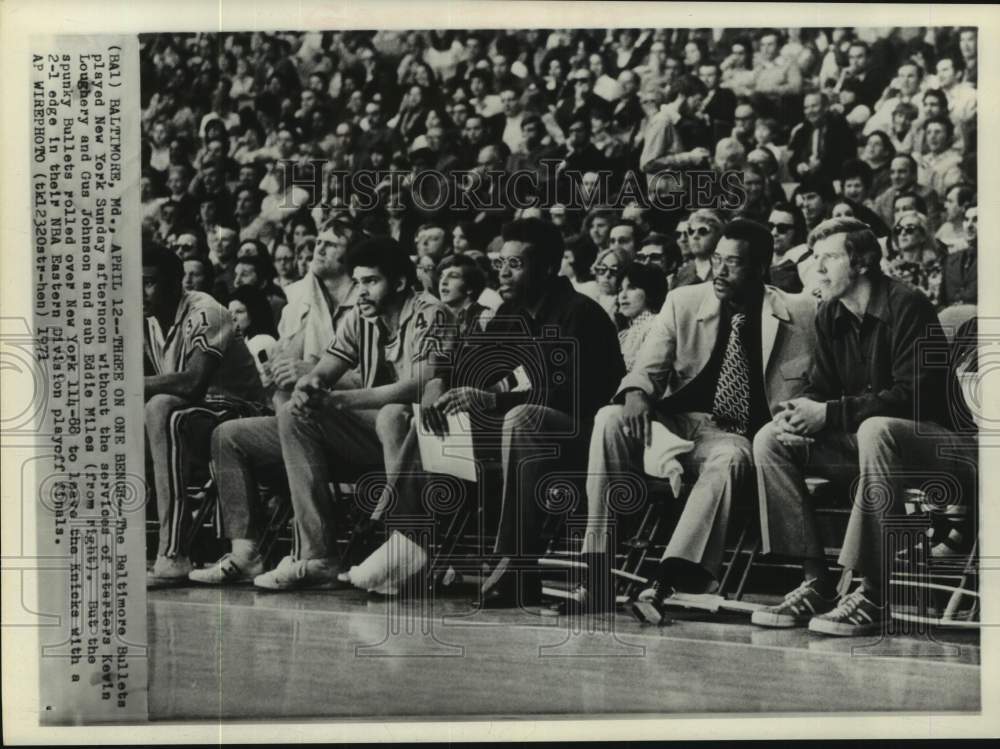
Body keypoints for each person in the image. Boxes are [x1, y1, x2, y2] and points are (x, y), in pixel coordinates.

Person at [560, 219, 817, 617]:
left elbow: (820, 385)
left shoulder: (800, 313)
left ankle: (667, 580)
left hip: (734, 435)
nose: (721, 271)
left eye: (734, 263)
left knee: (730, 459)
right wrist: (636, 392)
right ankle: (595, 572)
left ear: (761, 268)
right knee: (609, 419)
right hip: (675, 423)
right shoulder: (684, 301)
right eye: (717, 259)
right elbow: (648, 367)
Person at [751, 217, 975, 636]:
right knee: (770, 439)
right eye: (815, 258)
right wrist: (801, 411)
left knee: (877, 429)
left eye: (829, 258)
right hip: (871, 448)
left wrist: (829, 414)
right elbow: (823, 389)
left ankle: (876, 593)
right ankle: (816, 581)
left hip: (941, 448)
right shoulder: (829, 314)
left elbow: (915, 397)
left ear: (863, 263)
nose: (817, 270)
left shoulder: (909, 306)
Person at [250, 236, 457, 591]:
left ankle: (404, 548)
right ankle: (317, 557)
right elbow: (325, 369)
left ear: (401, 283)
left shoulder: (431, 313)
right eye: (358, 282)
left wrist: (345, 401)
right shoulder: (361, 316)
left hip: (437, 435)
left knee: (394, 414)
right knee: (294, 412)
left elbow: (421, 385)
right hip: (377, 432)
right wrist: (308, 387)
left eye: (371, 281)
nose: (361, 291)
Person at [143, 243, 266, 586]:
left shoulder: (206, 311)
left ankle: (173, 552)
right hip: (199, 415)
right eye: (135, 283)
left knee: (160, 407)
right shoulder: (146, 319)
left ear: (176, 283)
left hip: (243, 412)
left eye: (150, 283)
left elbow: (194, 383)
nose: (141, 292)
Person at [617, 263, 668, 373]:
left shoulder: (655, 326)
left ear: (650, 291)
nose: (623, 295)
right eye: (620, 289)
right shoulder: (624, 335)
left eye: (632, 288)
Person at [228, 286, 280, 387]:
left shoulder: (261, 341)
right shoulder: (245, 341)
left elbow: (265, 383)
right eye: (229, 312)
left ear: (254, 312)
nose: (232, 317)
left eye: (239, 312)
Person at [672, 209, 723, 288]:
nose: (695, 236)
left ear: (717, 235)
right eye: (691, 231)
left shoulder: (723, 269)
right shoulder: (680, 273)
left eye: (702, 231)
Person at [939, 204, 977, 307]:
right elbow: (942, 302)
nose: (969, 225)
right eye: (966, 219)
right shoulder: (951, 259)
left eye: (976, 220)